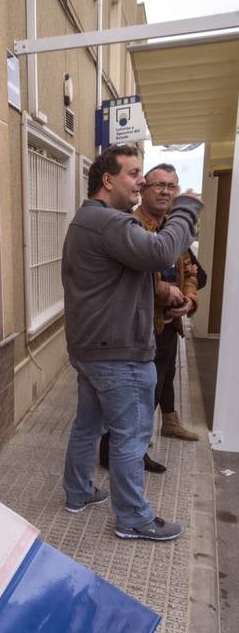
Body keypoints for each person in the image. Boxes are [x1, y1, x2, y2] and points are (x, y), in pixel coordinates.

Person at [62, 145, 202, 541]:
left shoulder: (84, 222)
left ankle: (78, 491)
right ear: (108, 180)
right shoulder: (110, 223)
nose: (142, 181)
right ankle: (133, 518)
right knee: (131, 435)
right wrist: (187, 207)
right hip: (118, 353)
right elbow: (160, 250)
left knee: (87, 426)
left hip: (92, 349)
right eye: (134, 173)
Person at [98, 163, 200, 474]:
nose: (166, 191)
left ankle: (134, 452)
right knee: (130, 401)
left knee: (151, 396)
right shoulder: (129, 225)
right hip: (137, 329)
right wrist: (161, 291)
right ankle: (112, 455)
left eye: (171, 186)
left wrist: (189, 299)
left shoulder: (174, 225)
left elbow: (191, 270)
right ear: (143, 189)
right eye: (158, 185)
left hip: (168, 327)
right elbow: (128, 275)